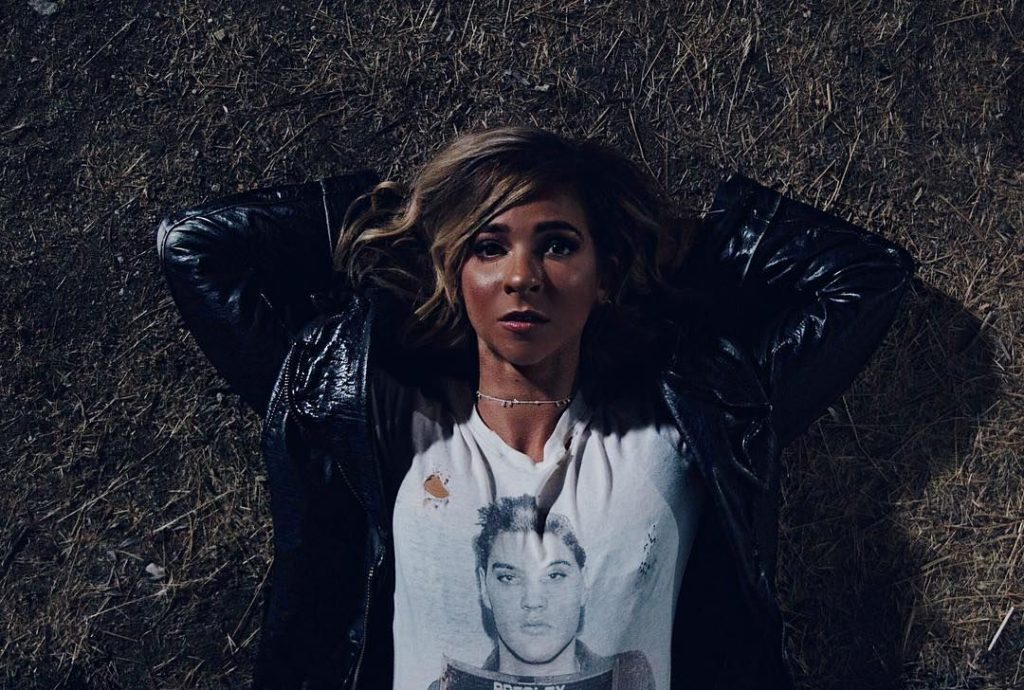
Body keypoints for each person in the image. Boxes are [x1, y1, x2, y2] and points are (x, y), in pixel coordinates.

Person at [157, 125, 916, 689]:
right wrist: (403, 216)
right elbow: (196, 247)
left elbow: (864, 276)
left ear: (604, 275)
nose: (522, 277)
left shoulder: (688, 423)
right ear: (453, 271)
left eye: (557, 245)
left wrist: (677, 239)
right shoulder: (371, 411)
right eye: (488, 247)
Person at [425, 494, 655, 689]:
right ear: (484, 587)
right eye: (509, 578)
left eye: (555, 576)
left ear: (584, 582)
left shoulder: (631, 678)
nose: (533, 601)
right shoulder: (447, 687)